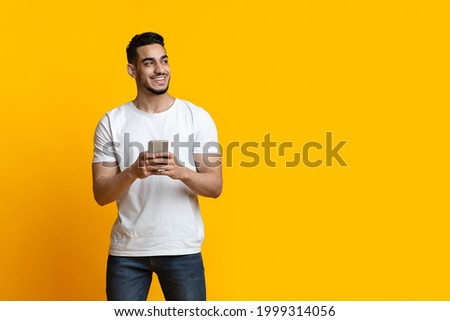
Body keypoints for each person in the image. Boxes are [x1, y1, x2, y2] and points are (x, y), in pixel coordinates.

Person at [92, 32, 222, 301]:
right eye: (149, 63)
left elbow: (215, 186)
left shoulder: (197, 118)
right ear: (132, 70)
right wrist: (132, 172)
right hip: (127, 253)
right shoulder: (111, 122)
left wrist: (181, 171)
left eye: (164, 60)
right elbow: (101, 194)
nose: (160, 69)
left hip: (182, 250)